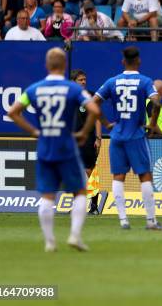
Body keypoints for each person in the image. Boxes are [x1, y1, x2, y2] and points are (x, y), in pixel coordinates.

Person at [7, 47, 99, 252]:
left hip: (45, 146)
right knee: (81, 192)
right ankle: (74, 236)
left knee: (47, 196)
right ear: (65, 65)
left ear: (47, 65)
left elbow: (13, 112)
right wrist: (84, 131)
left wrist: (33, 131)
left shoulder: (34, 89)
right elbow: (94, 109)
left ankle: (49, 241)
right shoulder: (73, 89)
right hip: (67, 145)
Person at [93, 46, 162, 231]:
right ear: (139, 61)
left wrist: (105, 122)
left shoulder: (112, 81)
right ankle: (151, 221)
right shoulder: (144, 81)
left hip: (117, 134)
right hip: (135, 134)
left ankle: (123, 220)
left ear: (122, 61)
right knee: (145, 176)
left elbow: (93, 102)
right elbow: (156, 101)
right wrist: (151, 123)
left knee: (118, 177)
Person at [70, 69, 103, 215]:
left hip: (88, 139)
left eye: (84, 79)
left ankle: (94, 206)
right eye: (80, 80)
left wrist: (98, 138)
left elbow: (97, 118)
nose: (83, 82)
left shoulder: (90, 96)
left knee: (90, 172)